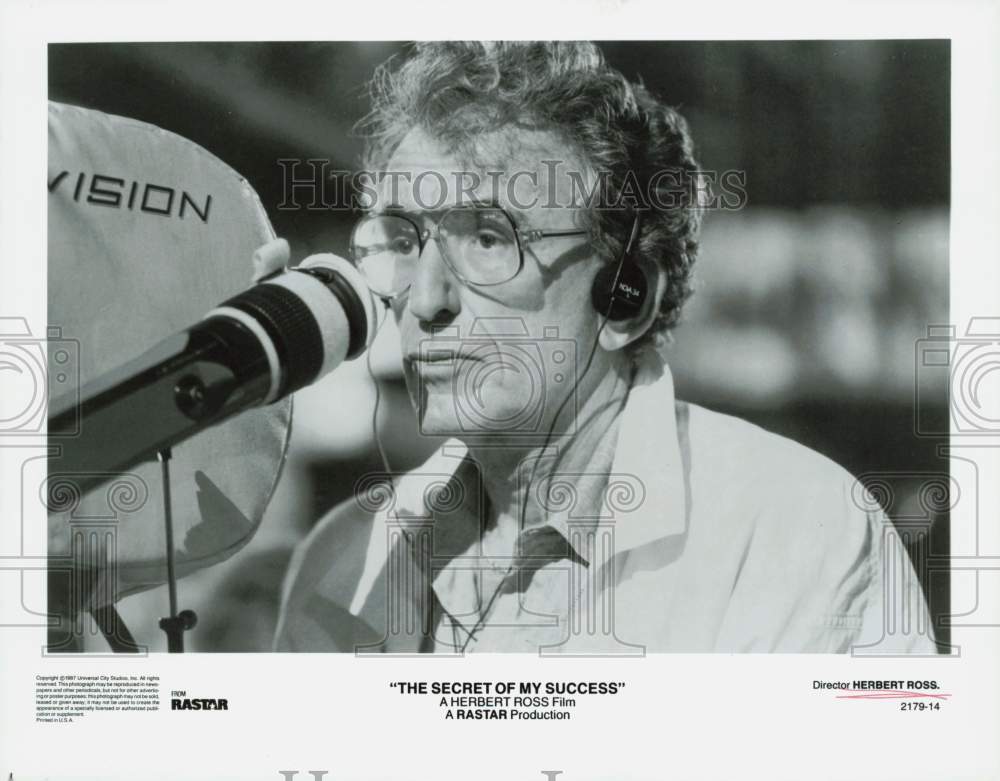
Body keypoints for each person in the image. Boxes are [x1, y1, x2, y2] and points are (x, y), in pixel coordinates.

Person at [274, 41, 935, 654]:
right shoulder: (343, 557)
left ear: (625, 295)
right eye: (401, 240)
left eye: (487, 239)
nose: (424, 301)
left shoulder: (797, 529)